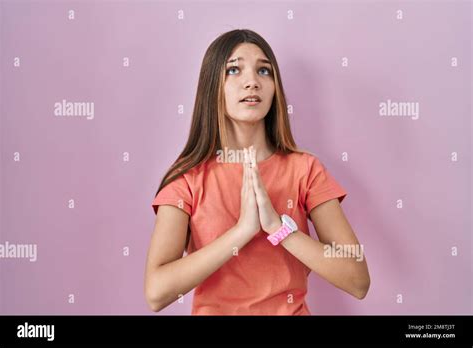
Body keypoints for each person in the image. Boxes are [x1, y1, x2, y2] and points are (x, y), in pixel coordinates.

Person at [144, 29, 370, 315]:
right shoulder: (186, 180)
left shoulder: (306, 170)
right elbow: (156, 293)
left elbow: (358, 280)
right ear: (212, 85)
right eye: (234, 70)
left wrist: (279, 229)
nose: (252, 82)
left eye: (264, 71)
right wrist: (242, 231)